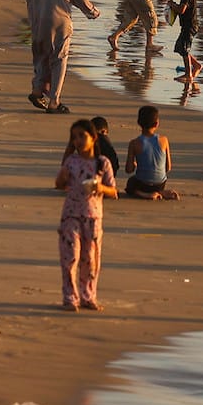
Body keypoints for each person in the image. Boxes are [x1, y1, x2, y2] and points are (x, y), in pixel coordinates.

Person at [24, 0, 99, 114]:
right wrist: (91, 10)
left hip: (37, 15)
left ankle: (37, 89)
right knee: (59, 58)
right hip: (58, 16)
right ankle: (54, 102)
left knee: (41, 55)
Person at [55, 118, 117, 311]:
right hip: (71, 215)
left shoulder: (102, 163)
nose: (79, 141)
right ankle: (70, 297)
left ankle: (88, 295)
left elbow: (113, 191)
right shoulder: (71, 161)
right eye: (75, 138)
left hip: (93, 217)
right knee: (70, 257)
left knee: (90, 260)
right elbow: (59, 184)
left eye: (82, 136)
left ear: (93, 137)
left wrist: (99, 187)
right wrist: (62, 178)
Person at [123, 105, 175, 200]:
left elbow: (129, 170)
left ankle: (144, 194)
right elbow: (168, 168)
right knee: (156, 180)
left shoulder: (134, 143)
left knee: (131, 182)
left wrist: (134, 165)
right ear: (156, 124)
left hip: (142, 184)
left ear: (139, 123)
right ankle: (160, 192)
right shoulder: (164, 140)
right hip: (160, 184)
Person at [168, 0, 201, 93]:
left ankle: (189, 74)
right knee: (181, 47)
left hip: (189, 26)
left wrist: (172, 5)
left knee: (185, 49)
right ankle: (196, 65)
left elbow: (182, 10)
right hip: (188, 26)